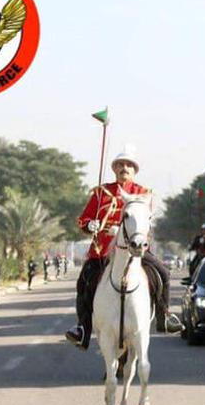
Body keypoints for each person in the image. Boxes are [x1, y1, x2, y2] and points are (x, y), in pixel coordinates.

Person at [64, 149, 182, 349]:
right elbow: (84, 219)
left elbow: (146, 222)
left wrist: (121, 230)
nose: (124, 168)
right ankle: (82, 328)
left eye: (128, 165)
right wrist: (90, 225)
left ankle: (165, 315)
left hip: (135, 249)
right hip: (103, 250)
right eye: (120, 165)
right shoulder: (102, 193)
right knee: (84, 281)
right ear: (114, 169)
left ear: (134, 170)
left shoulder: (143, 194)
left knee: (163, 273)